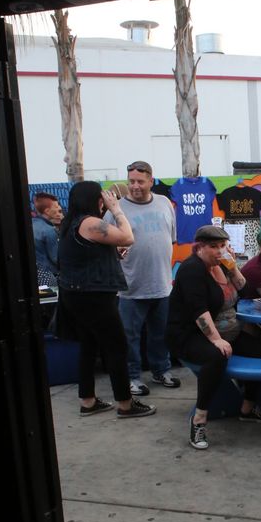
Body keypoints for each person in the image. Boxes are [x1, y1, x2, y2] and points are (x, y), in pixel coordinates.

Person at [167, 225, 261, 450]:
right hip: (190, 335)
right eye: (214, 247)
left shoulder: (223, 265)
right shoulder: (192, 270)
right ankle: (199, 419)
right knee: (216, 356)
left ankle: (247, 409)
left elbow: (246, 292)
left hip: (227, 331)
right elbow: (198, 312)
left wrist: (233, 268)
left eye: (223, 246)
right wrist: (216, 340)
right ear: (200, 247)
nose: (220, 251)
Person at [58, 180, 156, 419]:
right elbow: (128, 237)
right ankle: (125, 404)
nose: (104, 203)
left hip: (77, 295)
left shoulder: (71, 223)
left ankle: (88, 401)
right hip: (94, 297)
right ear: (95, 200)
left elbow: (86, 255)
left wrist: (111, 253)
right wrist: (117, 210)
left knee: (89, 346)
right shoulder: (90, 222)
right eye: (102, 199)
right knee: (117, 347)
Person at [104, 161, 180, 396]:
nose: (135, 186)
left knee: (160, 334)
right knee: (130, 337)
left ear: (151, 181)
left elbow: (171, 239)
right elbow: (104, 246)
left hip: (162, 284)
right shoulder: (115, 210)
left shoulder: (164, 203)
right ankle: (132, 377)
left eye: (140, 181)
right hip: (130, 287)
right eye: (131, 181)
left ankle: (161, 370)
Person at [32, 192, 64, 286]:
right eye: (56, 207)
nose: (58, 208)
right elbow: (56, 258)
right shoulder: (49, 230)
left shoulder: (31, 224)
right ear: (47, 211)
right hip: (47, 276)